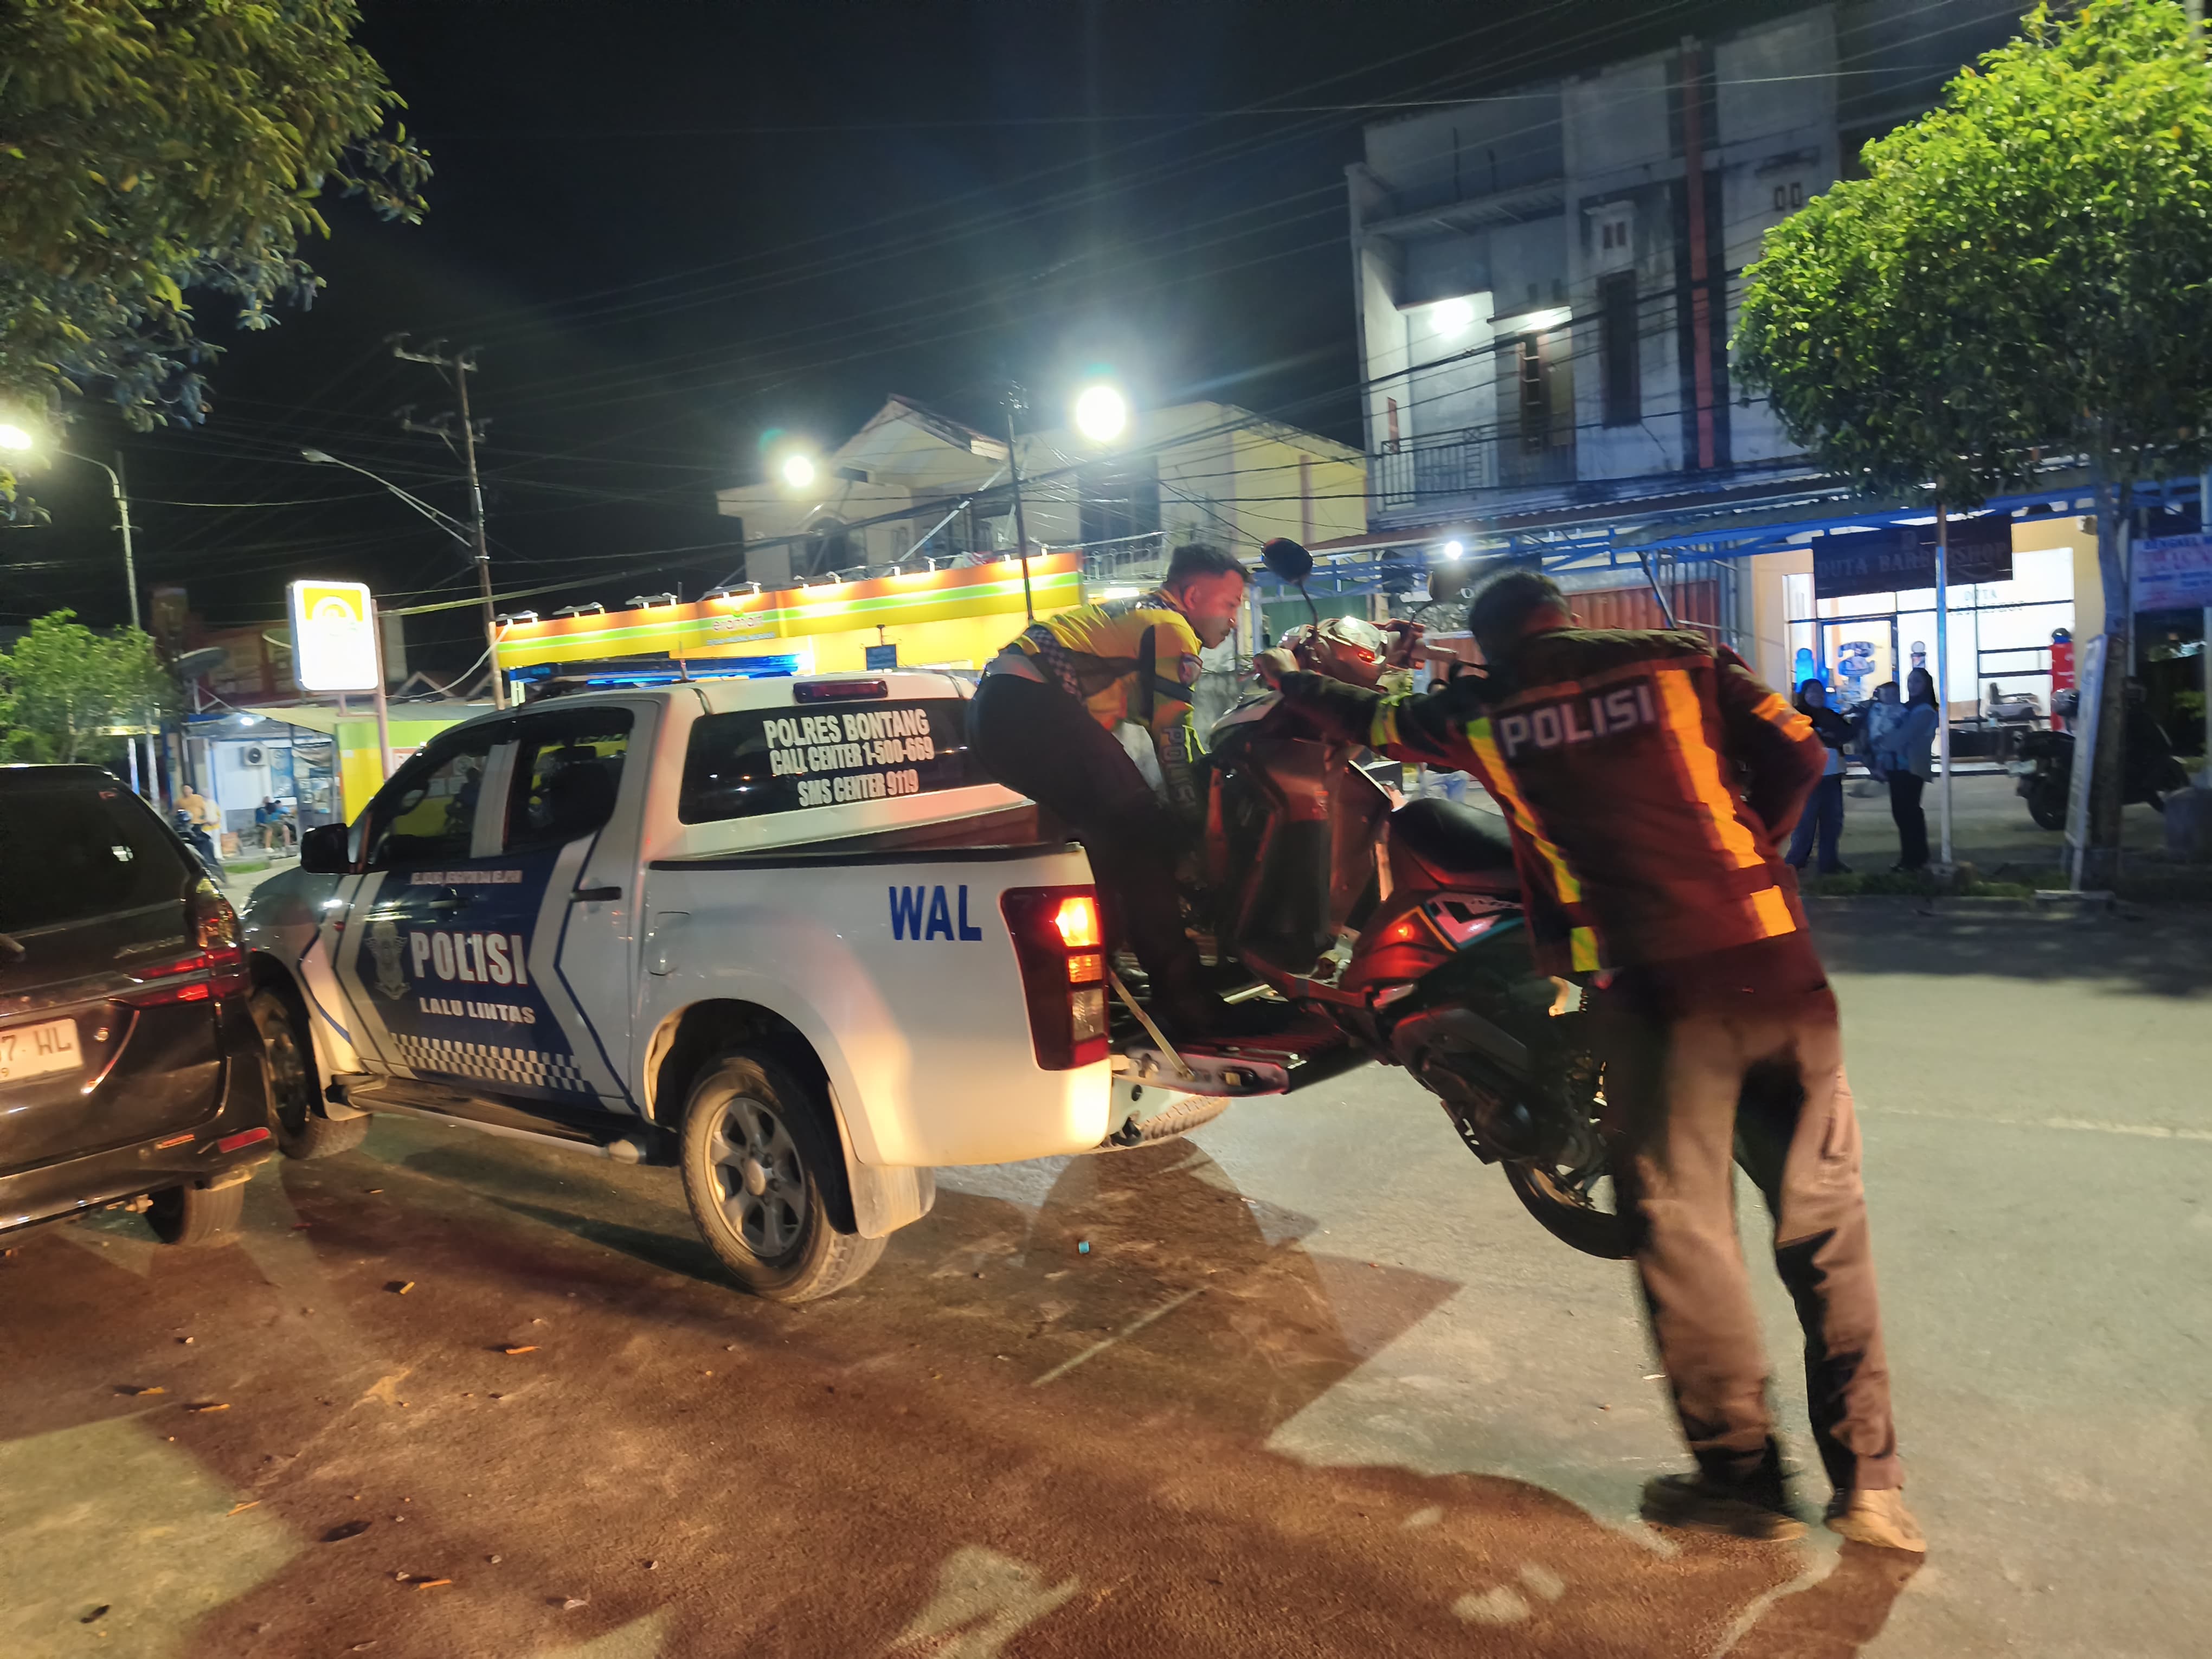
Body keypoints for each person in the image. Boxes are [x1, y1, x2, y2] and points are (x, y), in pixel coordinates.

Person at [1255, 568, 1922, 1552]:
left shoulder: (1487, 708)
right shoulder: (1684, 658)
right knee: (1826, 1233)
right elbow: (1803, 754)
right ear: (1563, 619)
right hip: (1777, 968)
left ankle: (1743, 1484)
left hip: (1655, 993)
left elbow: (1372, 720)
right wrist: (1751, 857)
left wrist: (1288, 677)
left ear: (1490, 644)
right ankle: (1870, 1488)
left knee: (1685, 1239)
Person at [969, 542, 1275, 1041]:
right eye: (1230, 603)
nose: (1235, 619)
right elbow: (1172, 741)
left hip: (997, 714)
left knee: (1106, 840)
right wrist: (1198, 828)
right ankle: (1187, 1003)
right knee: (1142, 833)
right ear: (1193, 594)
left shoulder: (1136, 615)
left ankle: (1104, 974)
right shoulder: (1173, 630)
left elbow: (1154, 738)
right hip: (1025, 710)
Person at [1784, 678, 1853, 875]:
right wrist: (1827, 736)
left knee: (1833, 821)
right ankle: (1795, 862)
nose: (1817, 695)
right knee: (1806, 822)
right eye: (1812, 692)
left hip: (1833, 774)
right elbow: (1810, 738)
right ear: (1804, 694)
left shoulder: (1829, 714)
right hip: (1809, 777)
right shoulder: (1796, 716)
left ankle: (1829, 862)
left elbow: (1846, 734)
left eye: (1820, 692)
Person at [1876, 668, 1940, 871]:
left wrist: (1882, 743)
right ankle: (1912, 858)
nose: (1912, 685)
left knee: (1908, 813)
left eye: (1917, 682)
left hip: (1912, 769)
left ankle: (1915, 860)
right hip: (1898, 768)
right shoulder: (1906, 708)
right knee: (1903, 813)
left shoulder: (1925, 710)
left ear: (1926, 685)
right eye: (1910, 681)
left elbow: (1903, 736)